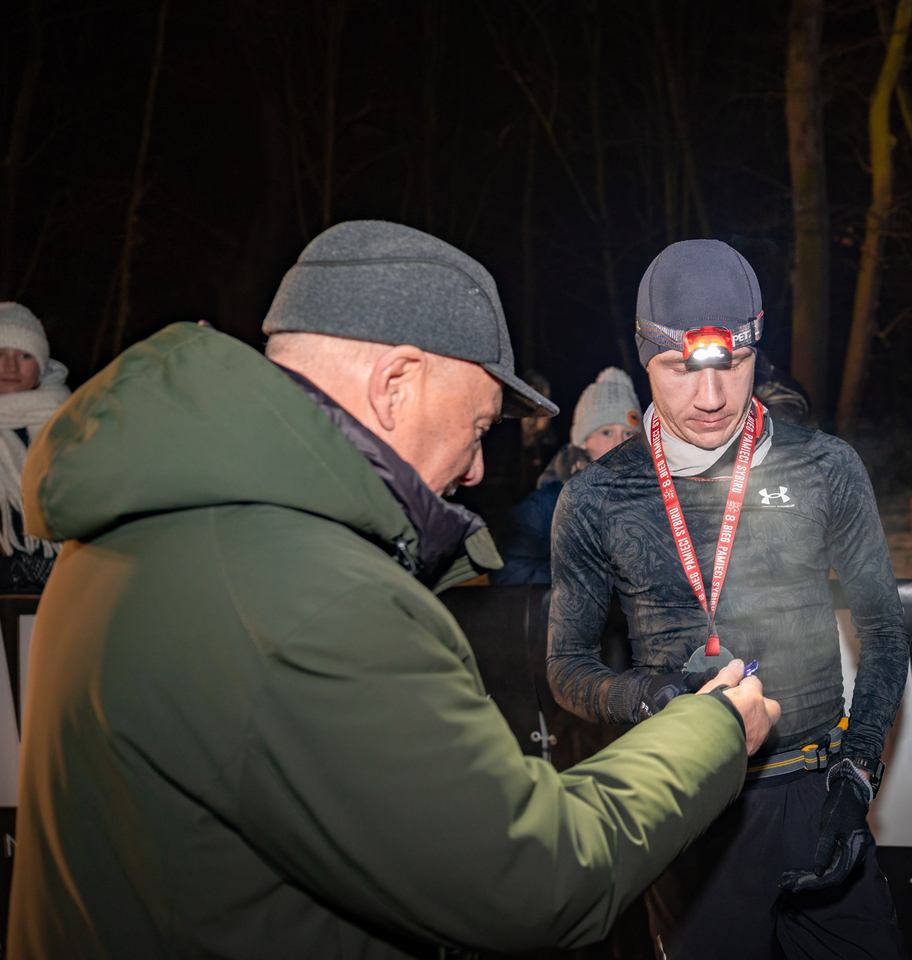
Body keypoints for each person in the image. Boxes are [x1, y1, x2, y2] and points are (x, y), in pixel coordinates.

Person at [8, 220, 780, 958]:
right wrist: (713, 731)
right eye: (478, 428)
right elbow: (536, 876)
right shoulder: (311, 597)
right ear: (396, 385)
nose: (477, 470)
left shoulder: (145, 523)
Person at [547, 239, 910, 958]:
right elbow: (566, 667)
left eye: (734, 364)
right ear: (645, 360)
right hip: (686, 798)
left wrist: (857, 773)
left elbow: (885, 633)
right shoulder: (596, 496)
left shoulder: (825, 466)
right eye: (682, 370)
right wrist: (656, 697)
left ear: (755, 351)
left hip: (817, 792)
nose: (711, 398)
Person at [492, 366, 641, 585]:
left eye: (629, 434)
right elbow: (508, 573)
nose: (619, 444)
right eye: (606, 432)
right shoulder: (545, 508)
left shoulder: (659, 501)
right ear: (583, 441)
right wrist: (583, 578)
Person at [0, 302, 69, 592]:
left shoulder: (71, 423)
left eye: (25, 355)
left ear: (41, 366)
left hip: (65, 585)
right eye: (0, 354)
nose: (11, 367)